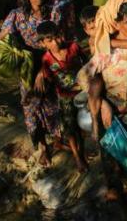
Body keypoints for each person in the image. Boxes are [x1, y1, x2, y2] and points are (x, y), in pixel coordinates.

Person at [82, 0, 127, 200]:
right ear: (116, 23)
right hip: (110, 107)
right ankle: (113, 188)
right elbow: (83, 77)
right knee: (110, 150)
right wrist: (103, 103)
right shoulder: (107, 51)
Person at [0, 0, 67, 167]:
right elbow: (1, 38)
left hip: (50, 62)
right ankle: (43, 146)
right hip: (27, 66)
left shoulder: (54, 12)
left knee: (53, 102)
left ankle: (58, 139)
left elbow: (58, 42)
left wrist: (44, 70)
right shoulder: (16, 15)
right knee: (31, 106)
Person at [36, 21, 88, 173]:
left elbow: (88, 63)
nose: (56, 42)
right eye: (50, 40)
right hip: (65, 97)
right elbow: (50, 79)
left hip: (82, 94)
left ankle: (82, 150)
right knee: (70, 128)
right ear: (43, 43)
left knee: (83, 126)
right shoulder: (46, 59)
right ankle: (78, 156)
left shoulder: (73, 47)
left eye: (57, 37)